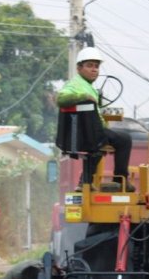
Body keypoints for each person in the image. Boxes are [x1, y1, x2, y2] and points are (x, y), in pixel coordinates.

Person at [56, 46, 133, 191]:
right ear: (79, 68)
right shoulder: (75, 84)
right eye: (89, 65)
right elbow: (60, 99)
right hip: (86, 133)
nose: (94, 69)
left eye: (96, 66)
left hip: (87, 134)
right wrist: (84, 97)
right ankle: (120, 179)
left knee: (99, 144)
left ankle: (84, 182)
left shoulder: (88, 86)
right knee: (124, 139)